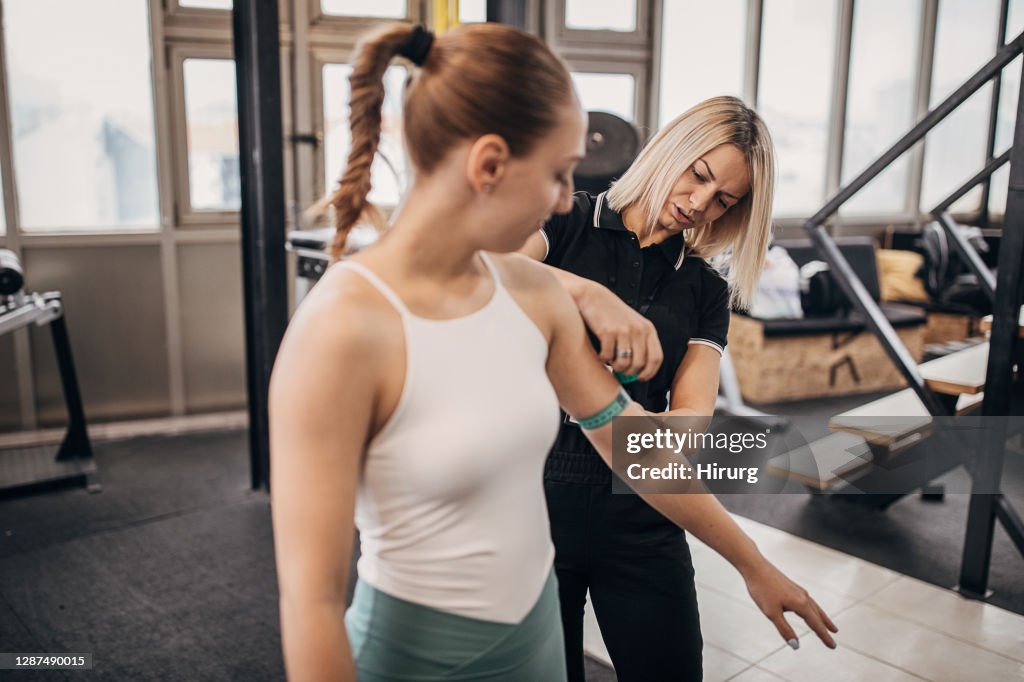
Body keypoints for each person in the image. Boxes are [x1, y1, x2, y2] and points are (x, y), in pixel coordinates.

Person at [269, 22, 836, 682]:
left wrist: (753, 562)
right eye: (560, 174)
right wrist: (588, 291)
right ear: (489, 165)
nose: (569, 197)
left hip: (537, 631)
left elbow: (639, 449)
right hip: (422, 651)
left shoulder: (542, 298)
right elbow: (310, 606)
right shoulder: (340, 329)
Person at [517, 96, 779, 681]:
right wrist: (588, 295)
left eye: (724, 200)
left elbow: (693, 407)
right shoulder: (564, 222)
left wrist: (678, 430)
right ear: (672, 150)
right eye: (700, 176)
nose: (699, 204)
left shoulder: (705, 289)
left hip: (637, 504)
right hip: (530, 503)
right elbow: (489, 272)